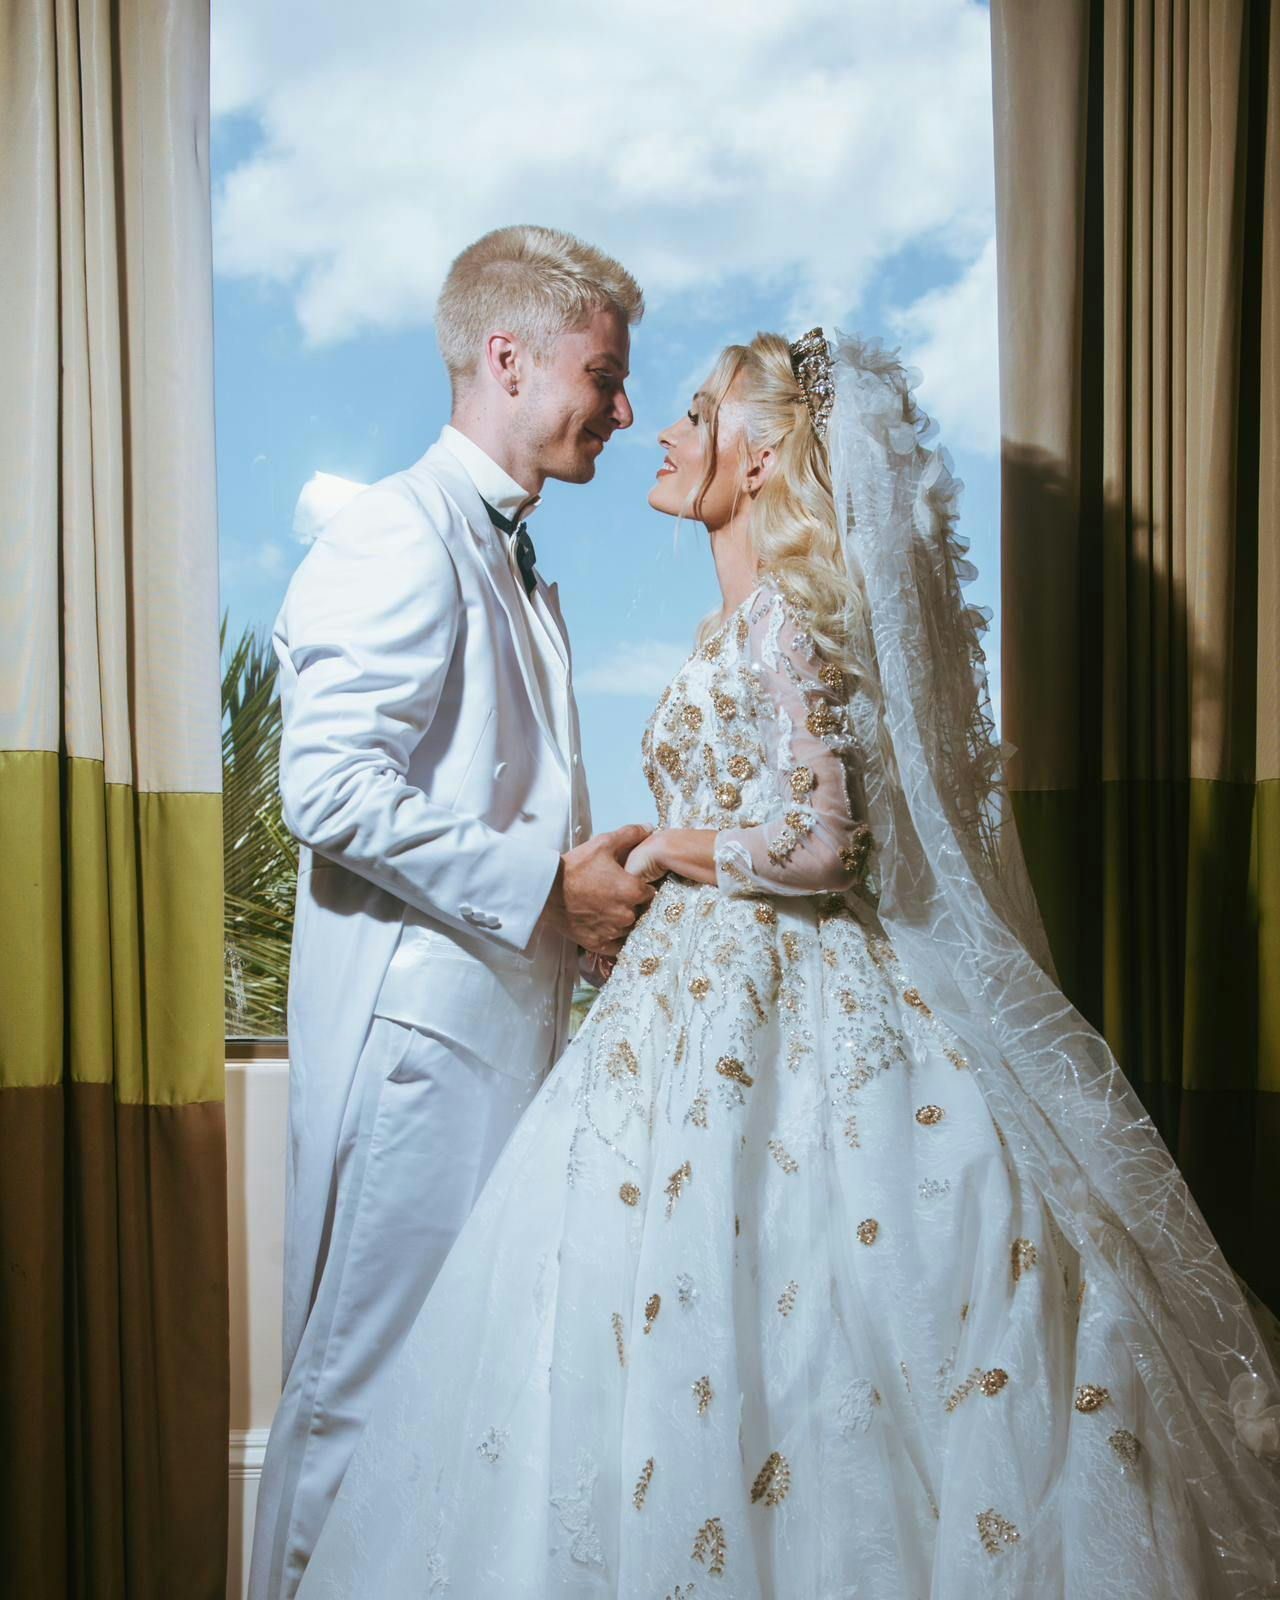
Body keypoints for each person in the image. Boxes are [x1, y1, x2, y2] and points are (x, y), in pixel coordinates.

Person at [296, 331, 1280, 1599]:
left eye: (693, 412)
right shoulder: (735, 623)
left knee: (804, 1320)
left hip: (789, 999)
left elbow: (824, 843)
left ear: (757, 458)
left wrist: (666, 847)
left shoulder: (782, 621)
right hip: (695, 999)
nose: (658, 430)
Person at [248, 225, 655, 1600]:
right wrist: (549, 888)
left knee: (448, 1400)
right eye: (603, 376)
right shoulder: (394, 529)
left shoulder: (513, 555)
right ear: (508, 359)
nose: (622, 410)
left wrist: (586, 914)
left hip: (494, 1047)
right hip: (419, 1056)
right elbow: (326, 787)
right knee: (358, 1400)